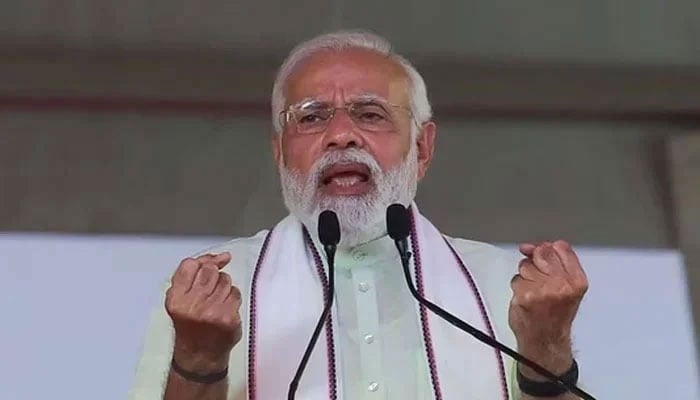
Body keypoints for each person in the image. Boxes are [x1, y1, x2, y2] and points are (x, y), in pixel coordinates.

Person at [127, 30, 589, 400]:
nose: (341, 135)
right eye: (311, 117)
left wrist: (546, 350)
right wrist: (198, 358)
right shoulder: (212, 292)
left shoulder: (507, 290)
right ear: (279, 153)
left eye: (370, 114)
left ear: (422, 148)